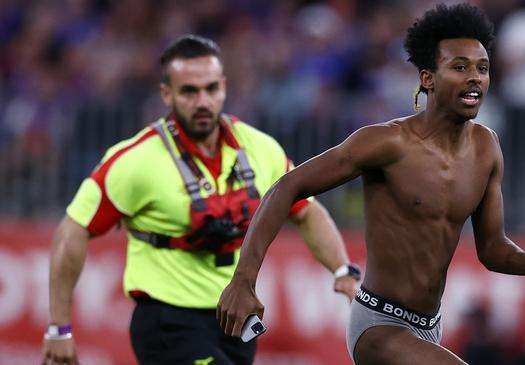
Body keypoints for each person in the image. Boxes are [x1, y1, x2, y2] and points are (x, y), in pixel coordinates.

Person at [217, 4, 525, 365]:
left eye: (482, 69)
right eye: (460, 67)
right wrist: (243, 280)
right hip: (378, 325)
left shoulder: (487, 149)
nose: (475, 78)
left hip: (430, 327)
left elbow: (492, 248)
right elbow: (287, 187)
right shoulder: (388, 143)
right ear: (427, 78)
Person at [42, 34, 360, 365]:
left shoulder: (260, 149)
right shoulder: (134, 161)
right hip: (168, 323)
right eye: (189, 91)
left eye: (211, 88)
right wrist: (58, 329)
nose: (203, 101)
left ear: (224, 86)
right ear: (166, 93)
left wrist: (341, 269)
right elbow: (73, 229)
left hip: (236, 318)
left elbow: (306, 211)